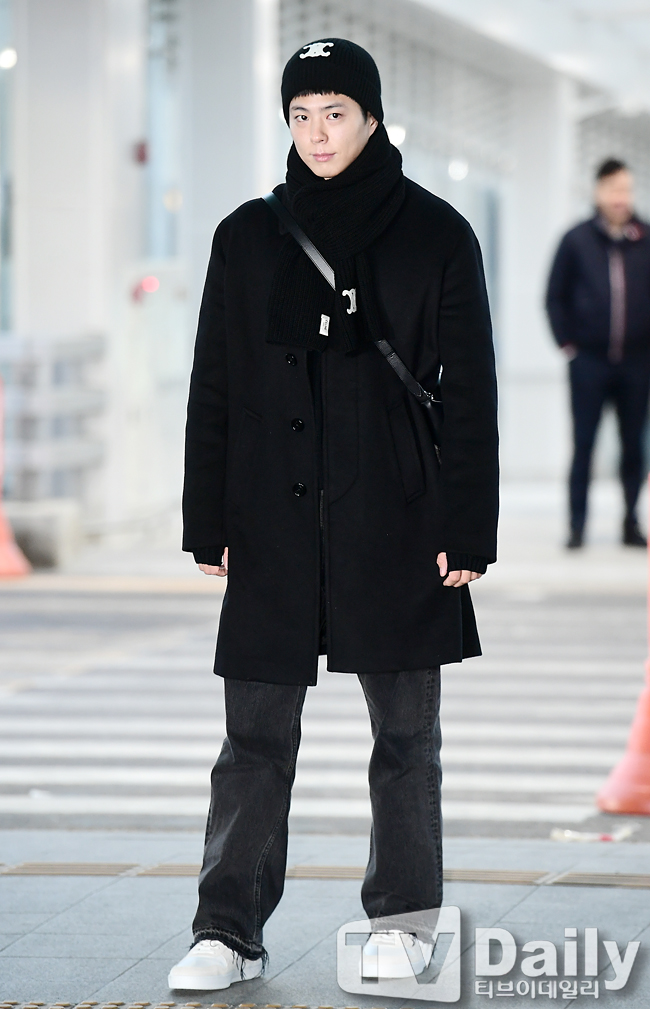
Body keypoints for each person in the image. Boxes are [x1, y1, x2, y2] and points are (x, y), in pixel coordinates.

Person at [169, 38, 498, 991]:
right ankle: (227, 929)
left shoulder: (436, 233)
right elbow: (214, 381)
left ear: (373, 116)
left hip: (398, 516)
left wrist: (469, 527)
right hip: (270, 520)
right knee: (253, 739)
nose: (317, 134)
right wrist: (205, 514)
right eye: (301, 115)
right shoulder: (247, 235)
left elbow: (469, 392)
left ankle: (404, 920)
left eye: (336, 113)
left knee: (406, 738)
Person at [546, 158, 650, 549]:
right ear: (599, 191)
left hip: (637, 363)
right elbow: (554, 296)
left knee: (633, 447)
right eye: (614, 189)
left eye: (627, 189)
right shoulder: (576, 240)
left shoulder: (646, 238)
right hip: (589, 362)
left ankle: (631, 522)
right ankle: (577, 526)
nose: (621, 197)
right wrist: (567, 344)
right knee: (584, 446)